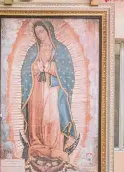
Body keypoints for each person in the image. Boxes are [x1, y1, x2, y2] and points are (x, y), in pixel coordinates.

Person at [20, 20, 78, 164]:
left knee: (52, 117)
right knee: (37, 116)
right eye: (37, 32)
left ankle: (55, 147)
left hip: (53, 88)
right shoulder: (33, 50)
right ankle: (37, 146)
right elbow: (25, 70)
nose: (40, 35)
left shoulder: (60, 49)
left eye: (42, 31)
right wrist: (34, 68)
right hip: (36, 89)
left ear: (49, 31)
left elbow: (68, 72)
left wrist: (50, 67)